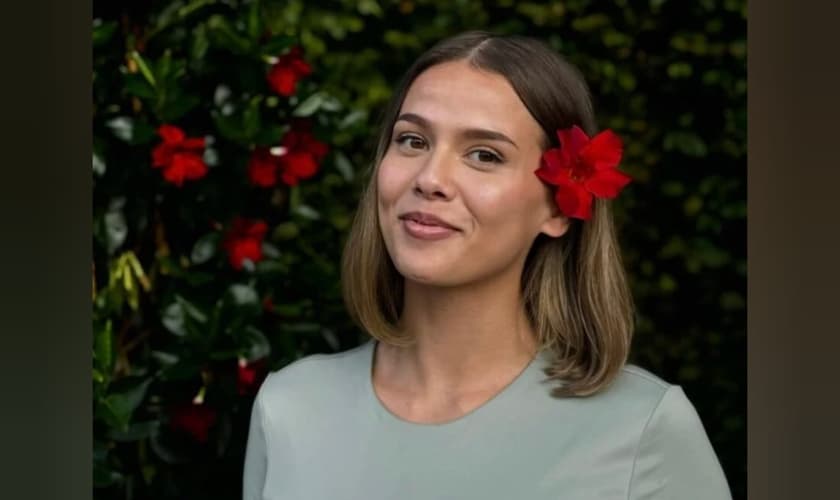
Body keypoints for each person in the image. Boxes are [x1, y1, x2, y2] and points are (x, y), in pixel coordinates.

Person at [243, 31, 732, 500]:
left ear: (560, 207)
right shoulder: (289, 408)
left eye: (483, 154)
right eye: (412, 141)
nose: (430, 178)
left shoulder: (644, 431)